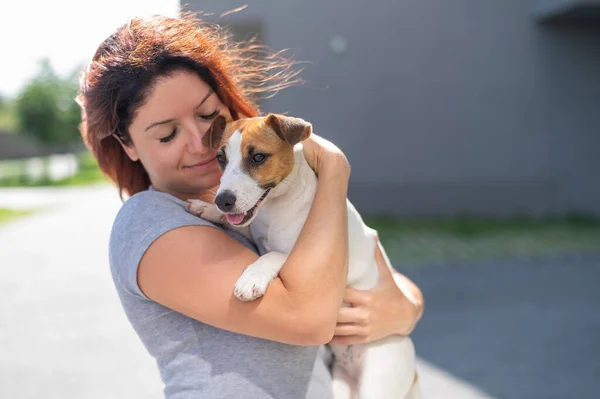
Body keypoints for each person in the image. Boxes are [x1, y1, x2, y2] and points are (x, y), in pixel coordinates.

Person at [77, 13, 424, 399]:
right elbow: (310, 318)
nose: (201, 142)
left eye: (209, 116)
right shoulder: (149, 224)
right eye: (168, 134)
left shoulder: (254, 200)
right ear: (128, 146)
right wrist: (334, 169)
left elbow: (364, 260)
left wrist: (406, 308)